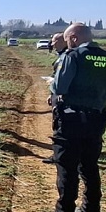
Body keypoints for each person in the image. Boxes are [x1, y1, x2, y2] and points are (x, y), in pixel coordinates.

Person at [33, 23, 106, 212]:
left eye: (67, 39)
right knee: (89, 165)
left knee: (67, 166)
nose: (67, 43)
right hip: (97, 118)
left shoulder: (72, 56)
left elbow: (60, 87)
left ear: (73, 38)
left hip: (71, 119)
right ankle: (91, 209)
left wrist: (52, 84)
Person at [41, 32, 68, 163]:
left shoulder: (67, 56)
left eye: (54, 41)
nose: (51, 44)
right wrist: (52, 94)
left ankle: (60, 156)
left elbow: (63, 80)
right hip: (58, 94)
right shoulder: (62, 56)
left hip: (64, 98)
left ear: (63, 41)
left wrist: (53, 83)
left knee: (60, 126)